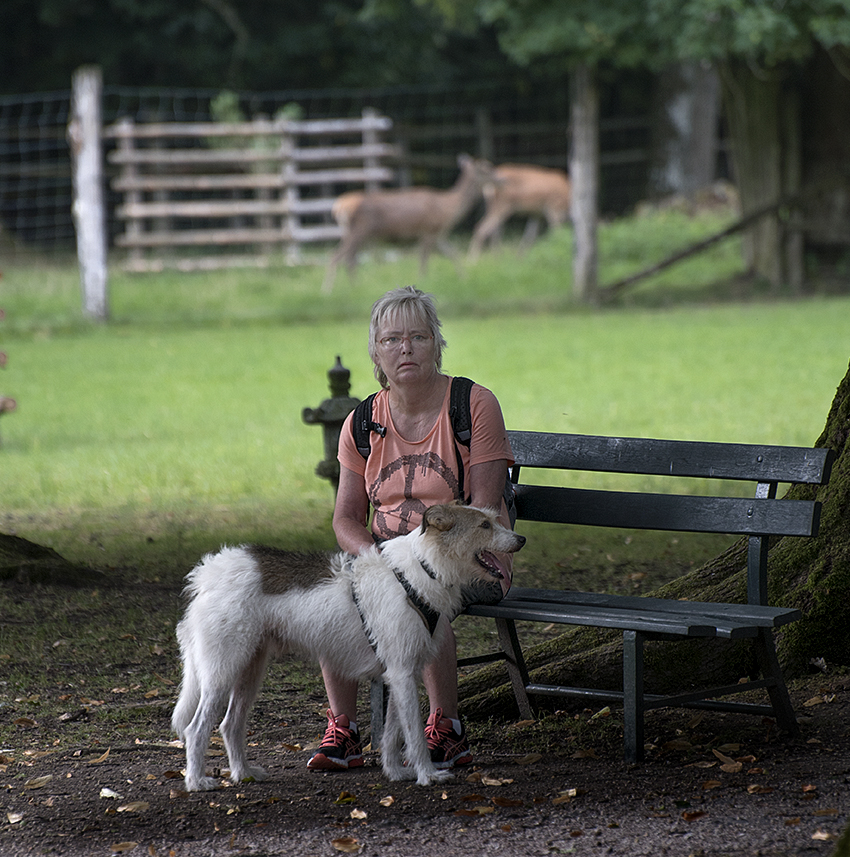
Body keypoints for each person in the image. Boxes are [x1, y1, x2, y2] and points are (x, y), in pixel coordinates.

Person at [307, 285, 514, 772]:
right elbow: (344, 518)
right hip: (384, 557)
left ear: (436, 344)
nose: (406, 348)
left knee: (421, 594)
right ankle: (344, 729)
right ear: (376, 352)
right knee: (336, 596)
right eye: (393, 339)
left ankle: (445, 728)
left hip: (466, 555)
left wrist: (413, 564)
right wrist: (372, 558)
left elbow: (485, 505)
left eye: (418, 337)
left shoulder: (473, 404)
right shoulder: (361, 422)